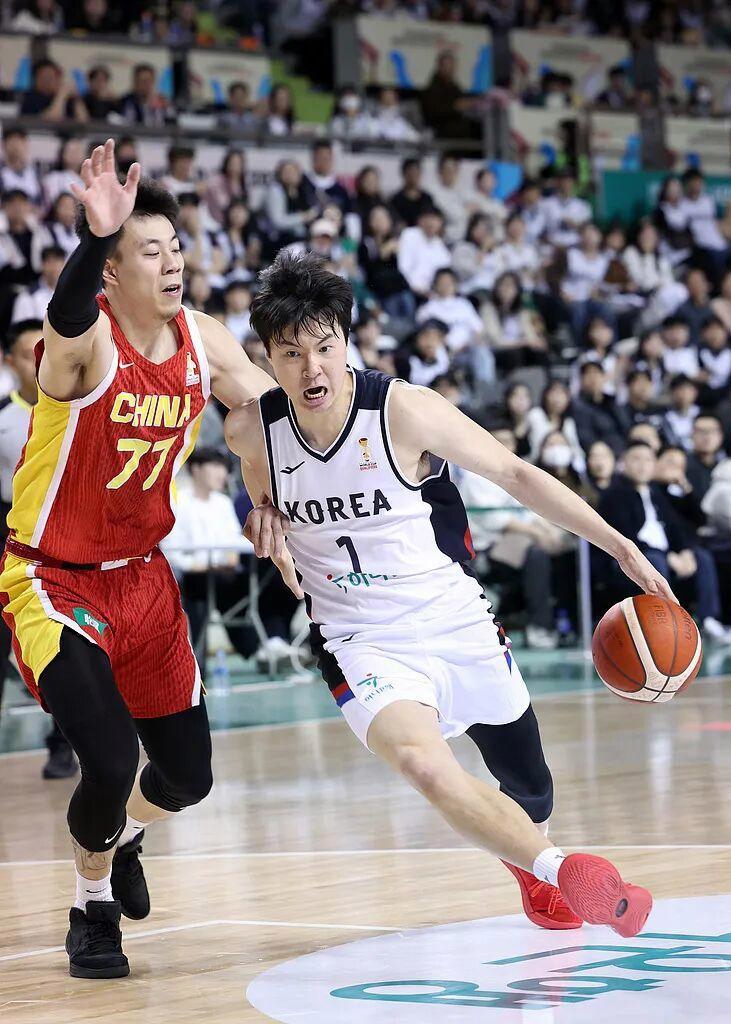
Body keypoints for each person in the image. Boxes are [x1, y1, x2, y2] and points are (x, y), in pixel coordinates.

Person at [226, 251, 668, 940]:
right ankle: (560, 869)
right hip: (358, 638)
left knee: (531, 788)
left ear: (347, 341)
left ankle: (532, 859)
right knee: (424, 765)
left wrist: (618, 544)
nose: (312, 368)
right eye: (291, 354)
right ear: (268, 358)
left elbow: (516, 475)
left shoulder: (403, 409)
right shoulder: (251, 430)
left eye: (325, 347)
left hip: (453, 618)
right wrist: (265, 519)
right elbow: (265, 497)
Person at [0, 140, 277, 979]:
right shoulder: (83, 342)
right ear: (113, 272)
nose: (172, 263)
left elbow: (268, 415)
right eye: (148, 251)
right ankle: (91, 909)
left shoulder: (203, 339)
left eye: (176, 247)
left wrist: (270, 488)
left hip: (145, 580)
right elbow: (66, 311)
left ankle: (124, 839)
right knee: (112, 758)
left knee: (188, 777)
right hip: (53, 578)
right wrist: (94, 237)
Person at [0, 319, 77, 778]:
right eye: (30, 352)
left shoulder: (78, 406)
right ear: (11, 361)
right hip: (10, 530)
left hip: (66, 535)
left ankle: (64, 744)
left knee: (62, 647)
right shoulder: (3, 417)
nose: (40, 360)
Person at [598, 442, 731, 643]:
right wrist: (669, 556)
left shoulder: (656, 492)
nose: (642, 465)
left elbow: (676, 527)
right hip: (634, 557)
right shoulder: (614, 495)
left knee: (702, 557)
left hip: (663, 554)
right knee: (655, 561)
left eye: (648, 460)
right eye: (636, 459)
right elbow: (624, 537)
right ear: (623, 462)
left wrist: (684, 551)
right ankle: (662, 626)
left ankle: (708, 620)